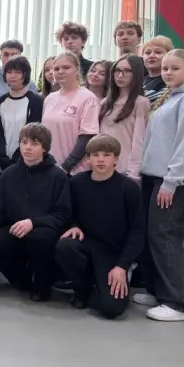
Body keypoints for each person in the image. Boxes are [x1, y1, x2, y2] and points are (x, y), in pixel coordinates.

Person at [137, 49, 184, 322]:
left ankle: (177, 303)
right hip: (156, 175)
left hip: (173, 179)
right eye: (165, 68)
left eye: (175, 68)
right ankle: (160, 290)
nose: (168, 72)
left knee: (166, 234)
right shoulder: (173, 95)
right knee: (155, 234)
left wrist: (171, 181)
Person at [55, 134, 143, 318]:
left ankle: (101, 287)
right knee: (65, 246)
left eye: (106, 155)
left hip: (113, 254)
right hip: (85, 246)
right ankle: (82, 289)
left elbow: (137, 232)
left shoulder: (128, 188)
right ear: (88, 158)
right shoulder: (76, 183)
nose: (100, 159)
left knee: (112, 308)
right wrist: (73, 225)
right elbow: (67, 212)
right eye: (95, 155)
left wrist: (122, 266)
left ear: (116, 158)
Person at [0, 123, 70, 301]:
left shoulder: (58, 176)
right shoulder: (8, 174)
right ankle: (22, 280)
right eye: (24, 142)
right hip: (14, 228)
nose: (28, 147)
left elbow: (61, 215)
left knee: (40, 239)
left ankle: (42, 284)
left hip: (43, 230)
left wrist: (33, 222)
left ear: (45, 148)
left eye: (34, 143)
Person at [42, 52, 100, 175]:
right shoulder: (50, 99)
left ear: (77, 69)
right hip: (49, 168)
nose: (60, 72)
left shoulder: (88, 98)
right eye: (56, 69)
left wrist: (65, 167)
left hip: (75, 171)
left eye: (66, 67)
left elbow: (87, 137)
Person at [0, 56, 44, 176]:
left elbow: (34, 133)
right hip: (1, 163)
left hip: (27, 160)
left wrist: (17, 158)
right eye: (9, 72)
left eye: (18, 72)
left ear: (26, 75)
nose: (12, 76)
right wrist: (2, 158)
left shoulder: (36, 101)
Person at [99, 54, 149, 183]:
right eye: (117, 70)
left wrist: (133, 173)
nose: (120, 75)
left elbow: (138, 141)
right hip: (100, 166)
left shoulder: (140, 102)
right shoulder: (104, 103)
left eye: (127, 71)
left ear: (136, 74)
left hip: (124, 170)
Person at [141, 35, 173, 105]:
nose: (151, 56)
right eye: (147, 53)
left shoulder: (173, 83)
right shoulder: (138, 81)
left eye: (158, 52)